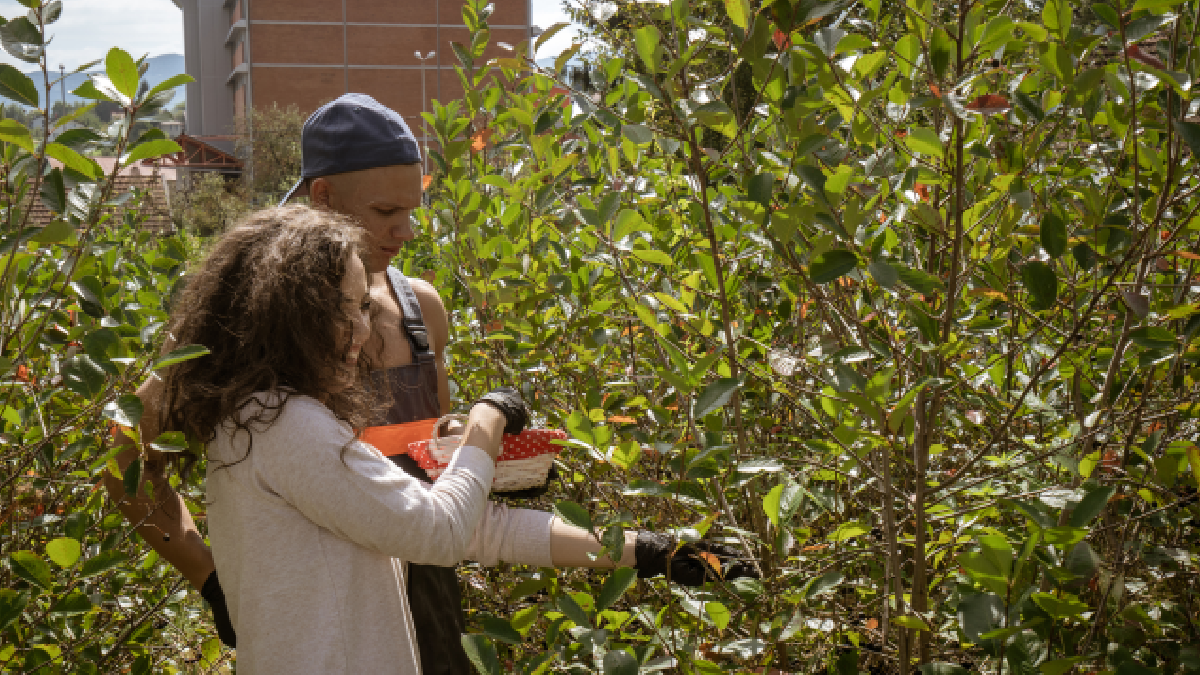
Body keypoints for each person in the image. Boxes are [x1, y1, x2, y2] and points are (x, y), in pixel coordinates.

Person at [103, 94, 755, 672]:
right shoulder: (256, 369)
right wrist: (212, 579)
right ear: (323, 198)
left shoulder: (418, 311)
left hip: (406, 583)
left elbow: (440, 506)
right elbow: (128, 458)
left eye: (413, 209)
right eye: (386, 210)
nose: (406, 232)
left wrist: (646, 549)